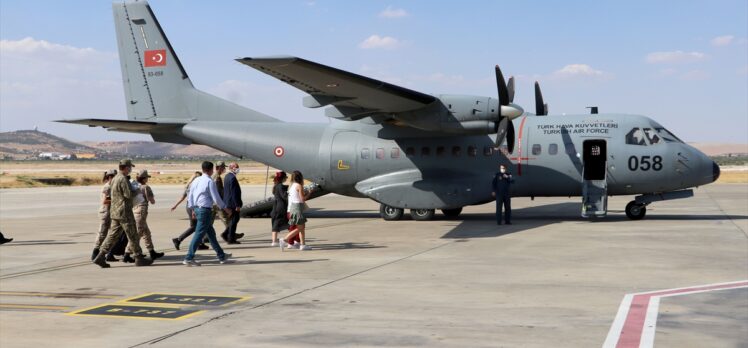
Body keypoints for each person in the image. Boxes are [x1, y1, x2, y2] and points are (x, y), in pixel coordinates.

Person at [92, 159, 153, 268]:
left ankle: (100, 256)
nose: (131, 169)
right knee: (133, 234)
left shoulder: (115, 178)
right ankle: (139, 258)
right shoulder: (123, 179)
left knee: (112, 235)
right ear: (126, 167)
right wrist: (136, 190)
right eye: (130, 167)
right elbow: (128, 195)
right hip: (124, 211)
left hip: (115, 211)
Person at [183, 161, 233, 266]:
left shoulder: (196, 180)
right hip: (204, 210)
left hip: (197, 208)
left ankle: (221, 256)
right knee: (199, 234)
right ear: (211, 170)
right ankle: (188, 257)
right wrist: (225, 208)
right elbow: (216, 198)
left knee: (211, 234)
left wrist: (192, 209)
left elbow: (190, 195)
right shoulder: (209, 181)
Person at [127, 170, 164, 261]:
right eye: (147, 177)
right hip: (141, 210)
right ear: (143, 178)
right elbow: (152, 201)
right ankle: (127, 254)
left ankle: (151, 251)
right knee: (138, 233)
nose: (147, 179)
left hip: (134, 209)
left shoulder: (134, 186)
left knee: (146, 232)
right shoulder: (146, 187)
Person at [171, 171, 208, 251]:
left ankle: (200, 243)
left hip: (189, 206)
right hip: (193, 207)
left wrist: (175, 205)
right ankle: (178, 239)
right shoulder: (195, 186)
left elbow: (182, 197)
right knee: (195, 227)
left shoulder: (188, 186)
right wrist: (194, 210)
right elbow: (194, 199)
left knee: (197, 226)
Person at [278, 171, 312, 250]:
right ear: (300, 177)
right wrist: (309, 193)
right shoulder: (299, 186)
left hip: (291, 208)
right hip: (297, 208)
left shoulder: (291, 185)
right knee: (300, 228)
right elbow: (302, 199)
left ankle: (303, 245)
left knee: (301, 227)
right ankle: (284, 239)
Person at [91, 169, 119, 261]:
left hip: (112, 212)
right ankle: (95, 253)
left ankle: (110, 254)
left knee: (113, 234)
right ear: (111, 177)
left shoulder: (113, 186)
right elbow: (105, 201)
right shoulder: (107, 187)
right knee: (102, 233)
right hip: (106, 212)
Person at [222, 162, 244, 244]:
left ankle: (226, 234)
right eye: (236, 167)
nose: (238, 168)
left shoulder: (227, 176)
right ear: (232, 168)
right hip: (232, 203)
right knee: (234, 221)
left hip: (228, 202)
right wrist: (237, 205)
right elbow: (234, 193)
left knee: (233, 220)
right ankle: (231, 238)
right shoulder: (232, 178)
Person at [211, 161, 231, 241]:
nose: (224, 169)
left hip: (212, 203)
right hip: (217, 203)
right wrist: (224, 203)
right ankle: (229, 234)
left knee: (209, 222)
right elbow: (219, 192)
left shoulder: (214, 176)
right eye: (223, 167)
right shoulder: (217, 177)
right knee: (226, 219)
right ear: (218, 168)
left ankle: (205, 238)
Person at [270, 171, 289, 246]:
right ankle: (277, 241)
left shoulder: (275, 186)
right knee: (284, 223)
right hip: (280, 207)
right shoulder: (280, 186)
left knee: (276, 223)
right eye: (285, 177)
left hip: (276, 206)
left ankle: (274, 240)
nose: (286, 179)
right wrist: (288, 192)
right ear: (283, 178)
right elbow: (284, 196)